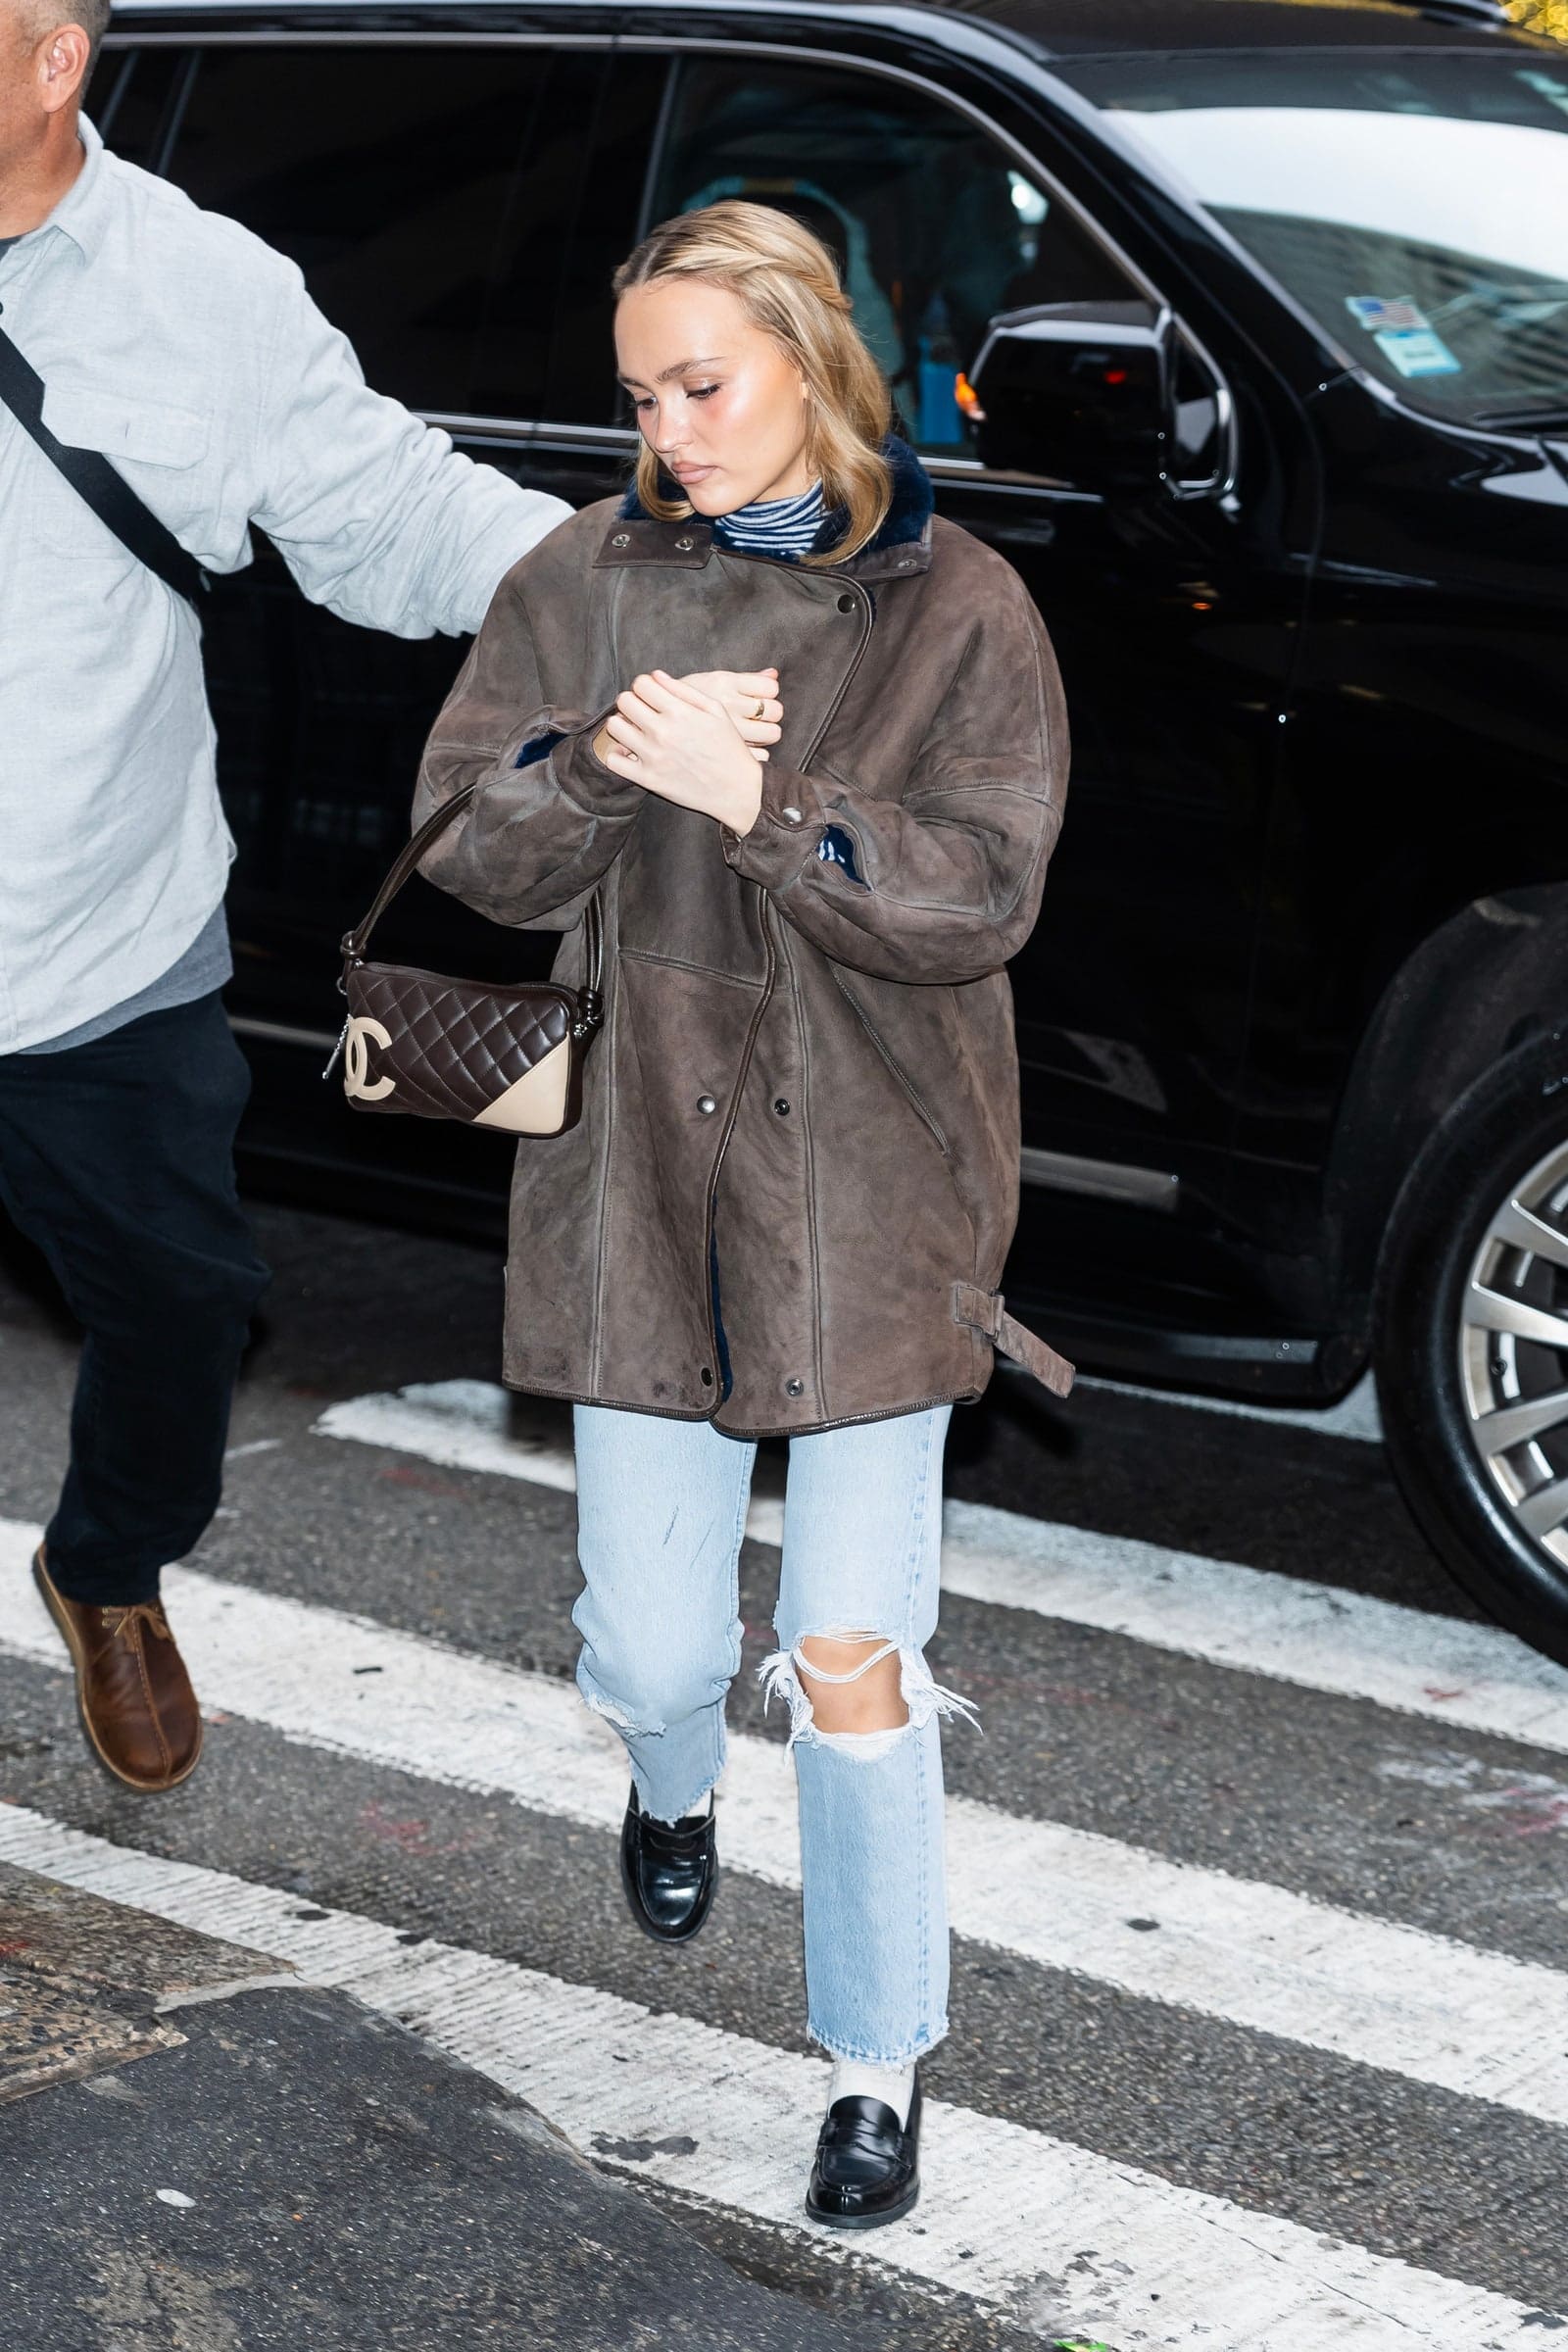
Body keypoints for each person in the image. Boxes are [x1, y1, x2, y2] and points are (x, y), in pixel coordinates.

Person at [413, 200, 1072, 2227]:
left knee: (855, 1648)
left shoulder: (959, 606)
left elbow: (979, 897)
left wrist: (768, 811)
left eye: (702, 384)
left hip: (875, 1189)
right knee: (647, 1637)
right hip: (636, 1183)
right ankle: (669, 1770)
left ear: (811, 362)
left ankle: (872, 2069)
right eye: (640, 395)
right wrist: (619, 766)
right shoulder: (580, 576)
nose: (668, 429)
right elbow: (459, 837)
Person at [0, 1, 575, 1793]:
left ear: (48, 60)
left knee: (186, 1309)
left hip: (92, 947)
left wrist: (633, 583)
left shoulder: (205, 291)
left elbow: (389, 513)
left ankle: (107, 1571)